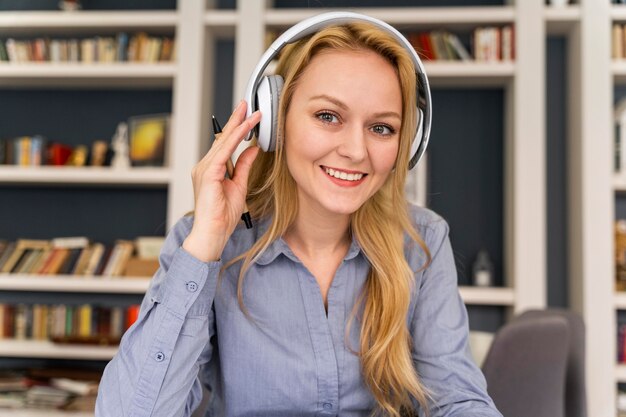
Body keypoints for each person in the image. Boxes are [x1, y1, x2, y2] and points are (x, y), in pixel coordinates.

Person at [96, 13, 502, 417]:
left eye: (381, 128)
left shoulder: (421, 241)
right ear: (276, 120)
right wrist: (205, 245)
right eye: (328, 116)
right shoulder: (206, 243)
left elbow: (458, 400)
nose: (356, 151)